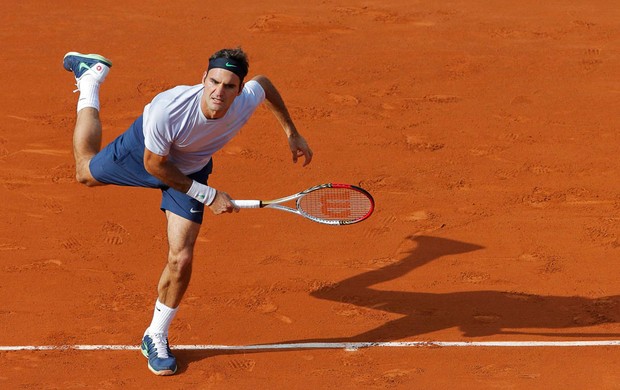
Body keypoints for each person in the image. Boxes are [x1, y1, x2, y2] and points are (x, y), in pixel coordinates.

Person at [62, 48, 313, 376]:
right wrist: (208, 195)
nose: (218, 92)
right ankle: (90, 79)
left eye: (228, 86)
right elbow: (154, 165)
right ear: (203, 79)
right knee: (85, 172)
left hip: (191, 170)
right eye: (213, 82)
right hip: (147, 152)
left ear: (239, 91)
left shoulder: (244, 100)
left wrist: (291, 132)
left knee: (181, 258)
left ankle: (156, 333)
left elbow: (263, 84)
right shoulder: (169, 110)